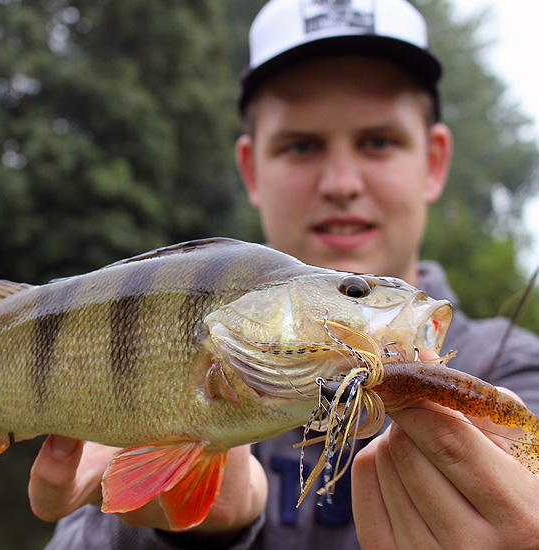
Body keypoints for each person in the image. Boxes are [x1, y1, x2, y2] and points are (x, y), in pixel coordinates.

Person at [28, 0, 539, 548]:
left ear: (434, 161)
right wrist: (191, 533)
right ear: (251, 169)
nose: (341, 182)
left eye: (378, 142)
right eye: (301, 146)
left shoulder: (517, 371)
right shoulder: (186, 352)